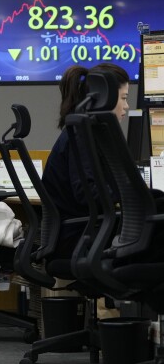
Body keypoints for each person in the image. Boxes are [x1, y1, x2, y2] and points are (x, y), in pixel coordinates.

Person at [42, 63, 129, 260]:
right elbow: (86, 192)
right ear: (104, 98)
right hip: (81, 237)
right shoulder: (82, 135)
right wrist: (129, 193)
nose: (126, 106)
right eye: (123, 98)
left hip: (85, 232)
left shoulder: (84, 132)